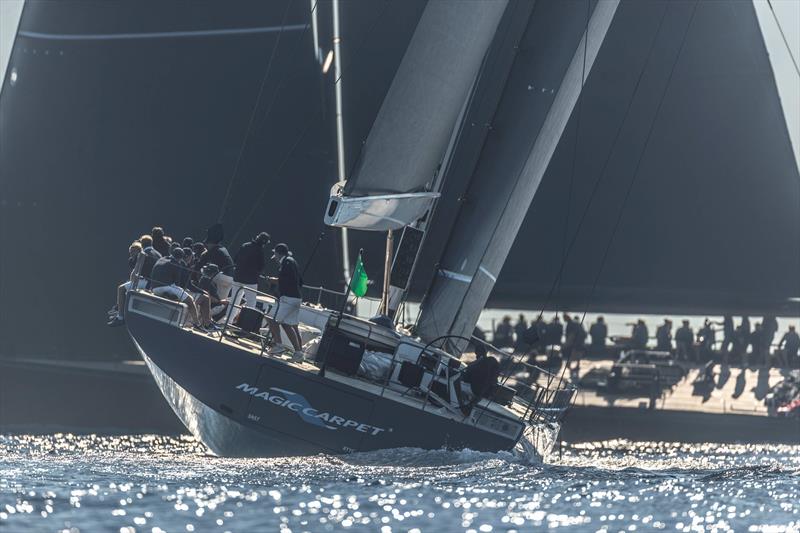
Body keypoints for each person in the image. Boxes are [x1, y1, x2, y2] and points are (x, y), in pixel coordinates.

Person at [266, 243, 303, 357]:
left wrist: (273, 281)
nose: (275, 258)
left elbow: (285, 280)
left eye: (275, 255)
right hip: (296, 298)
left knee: (270, 319)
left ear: (277, 253)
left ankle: (278, 346)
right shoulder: (292, 262)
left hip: (289, 298)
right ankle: (298, 353)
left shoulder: (287, 262)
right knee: (287, 324)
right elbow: (299, 281)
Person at [150, 247, 201, 327]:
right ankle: (197, 323)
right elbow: (177, 283)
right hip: (166, 287)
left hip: (154, 288)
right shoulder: (177, 263)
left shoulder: (162, 259)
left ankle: (169, 296)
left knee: (175, 293)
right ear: (181, 258)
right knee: (190, 300)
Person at [230, 232, 270, 319]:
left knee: (234, 300)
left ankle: (228, 320)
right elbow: (261, 267)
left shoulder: (245, 245)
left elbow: (235, 259)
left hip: (237, 277)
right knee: (251, 303)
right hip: (250, 281)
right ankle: (245, 324)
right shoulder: (260, 251)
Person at [107, 240, 145, 327]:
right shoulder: (131, 260)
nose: (131, 253)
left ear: (138, 251)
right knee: (125, 285)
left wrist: (132, 281)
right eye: (130, 252)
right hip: (138, 280)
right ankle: (119, 308)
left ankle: (121, 316)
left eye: (133, 251)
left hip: (143, 281)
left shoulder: (141, 257)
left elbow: (137, 272)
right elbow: (133, 273)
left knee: (121, 288)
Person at [455, 342, 500, 415]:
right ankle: (470, 404)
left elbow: (467, 373)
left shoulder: (478, 363)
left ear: (477, 353)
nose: (476, 355)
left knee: (457, 379)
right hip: (488, 392)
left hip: (476, 390)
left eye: (476, 353)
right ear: (485, 352)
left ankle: (456, 401)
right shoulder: (492, 361)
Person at [197, 223, 234, 302]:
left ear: (209, 243)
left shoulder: (211, 251)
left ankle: (199, 296)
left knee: (204, 274)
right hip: (229, 279)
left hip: (222, 278)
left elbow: (198, 266)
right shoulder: (222, 249)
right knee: (220, 301)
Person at [192, 263, 229, 330]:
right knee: (228, 305)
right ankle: (211, 323)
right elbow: (207, 296)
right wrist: (220, 301)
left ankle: (211, 322)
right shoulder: (206, 281)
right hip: (214, 306)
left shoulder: (204, 279)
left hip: (212, 304)